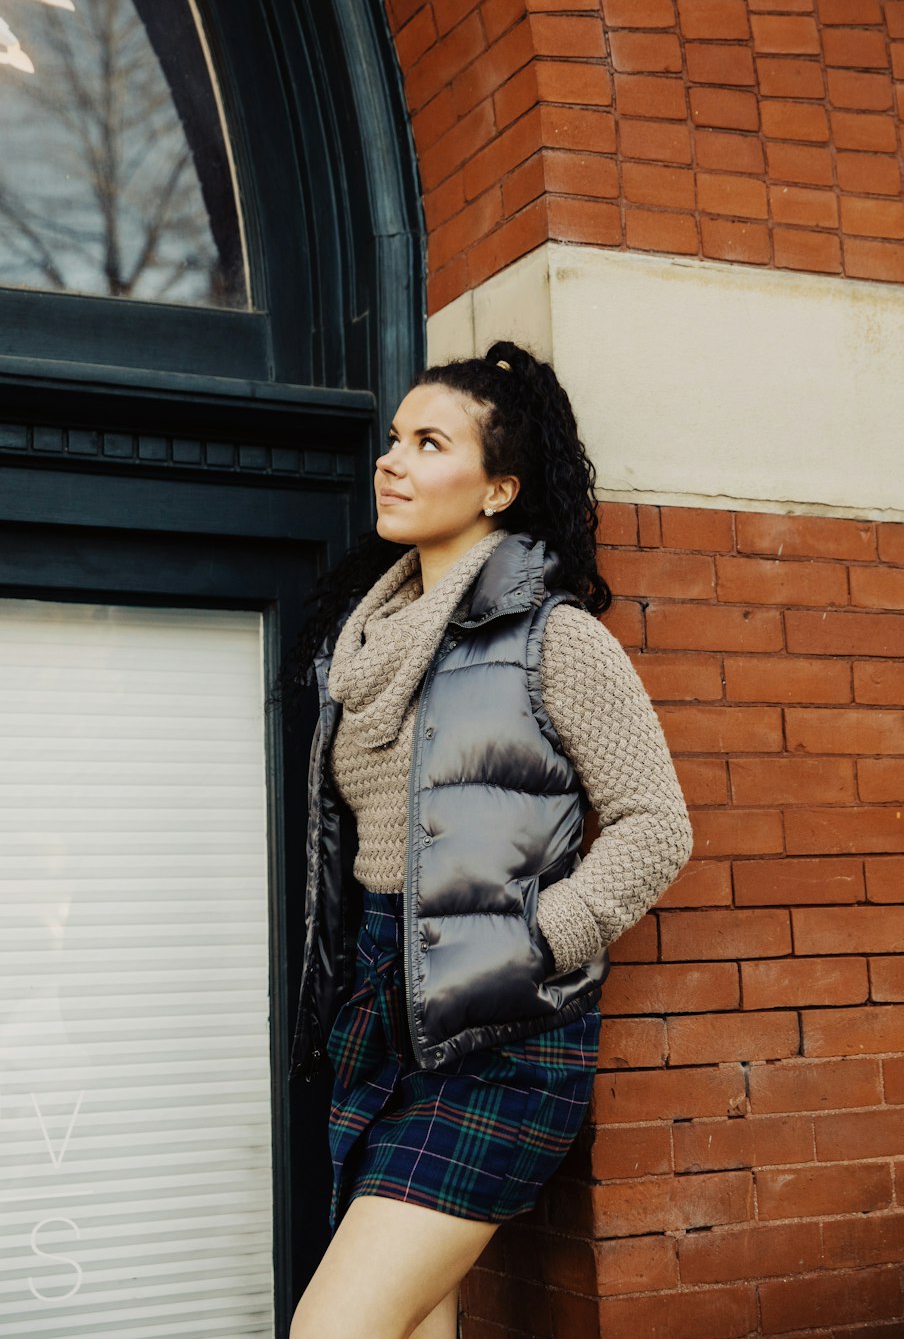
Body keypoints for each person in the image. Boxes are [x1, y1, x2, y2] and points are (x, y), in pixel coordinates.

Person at [284, 340, 693, 1339]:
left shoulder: (554, 638)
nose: (393, 460)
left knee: (333, 1328)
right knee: (419, 1322)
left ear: (499, 487)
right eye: (394, 439)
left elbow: (657, 824)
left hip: (505, 1034)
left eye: (429, 443)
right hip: (380, 1017)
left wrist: (531, 941)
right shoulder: (362, 645)